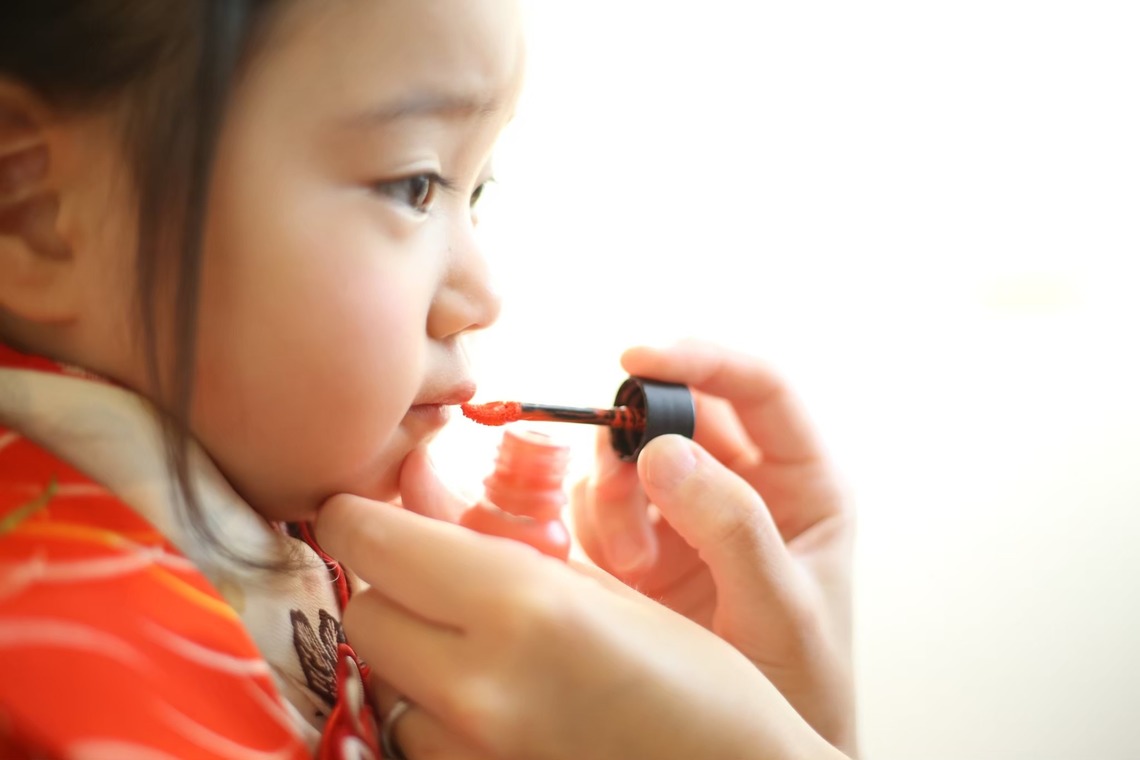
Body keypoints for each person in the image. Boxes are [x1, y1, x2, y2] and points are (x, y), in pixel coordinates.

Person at [0, 2, 855, 759]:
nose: (483, 295)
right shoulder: (55, 667)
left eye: (474, 189)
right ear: (33, 214)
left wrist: (782, 725)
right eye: (415, 184)